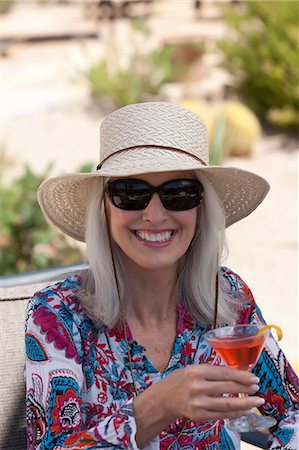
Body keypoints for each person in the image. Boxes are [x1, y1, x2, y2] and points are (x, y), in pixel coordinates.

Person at [25, 102, 298, 450]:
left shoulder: (227, 295)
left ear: (202, 208)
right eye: (131, 193)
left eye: (179, 193)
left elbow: (290, 413)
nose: (154, 215)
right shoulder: (57, 316)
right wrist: (158, 406)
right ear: (104, 208)